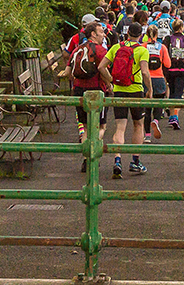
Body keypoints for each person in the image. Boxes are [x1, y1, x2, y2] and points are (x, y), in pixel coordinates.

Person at [98, 22, 153, 178]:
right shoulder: (142, 50)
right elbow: (145, 72)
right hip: (135, 90)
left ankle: (117, 160)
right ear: (141, 35)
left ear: (127, 33)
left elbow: (102, 67)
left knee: (120, 127)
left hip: (119, 91)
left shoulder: (115, 48)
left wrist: (111, 82)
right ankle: (135, 162)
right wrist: (149, 89)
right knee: (138, 125)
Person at [68, 22, 108, 173]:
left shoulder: (77, 50)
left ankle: (85, 159)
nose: (103, 34)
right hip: (96, 91)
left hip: (79, 90)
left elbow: (68, 71)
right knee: (100, 126)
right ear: (93, 34)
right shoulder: (101, 50)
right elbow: (103, 69)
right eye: (101, 32)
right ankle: (93, 156)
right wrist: (110, 83)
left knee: (85, 126)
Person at [164, 18, 184, 130]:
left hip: (170, 69)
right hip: (182, 69)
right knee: (179, 93)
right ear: (182, 28)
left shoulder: (168, 39)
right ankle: (175, 116)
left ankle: (172, 115)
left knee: (172, 92)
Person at [143, 25, 170, 142]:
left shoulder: (143, 46)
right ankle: (157, 120)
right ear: (157, 34)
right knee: (159, 103)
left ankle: (147, 135)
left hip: (146, 79)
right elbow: (168, 64)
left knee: (147, 108)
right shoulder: (162, 47)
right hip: (159, 78)